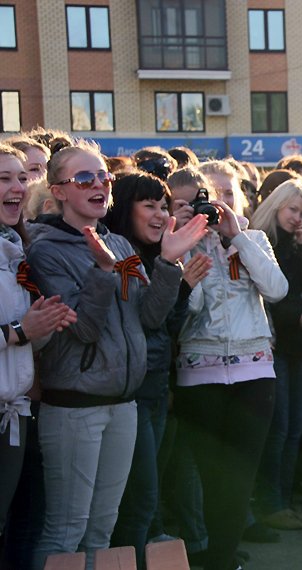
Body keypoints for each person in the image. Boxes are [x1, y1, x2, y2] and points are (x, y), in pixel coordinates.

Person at [27, 142, 207, 569]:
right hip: (74, 407)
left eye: (103, 177)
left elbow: (147, 317)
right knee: (66, 529)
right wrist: (102, 271)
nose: (99, 185)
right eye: (84, 178)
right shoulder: (46, 249)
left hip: (123, 404)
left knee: (102, 529)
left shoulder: (121, 245)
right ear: (58, 191)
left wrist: (166, 262)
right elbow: (85, 330)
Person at [173, 162, 288, 570]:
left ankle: (223, 561)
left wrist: (236, 237)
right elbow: (194, 308)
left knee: (240, 478)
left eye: (224, 195)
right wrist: (187, 244)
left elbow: (277, 289)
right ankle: (217, 555)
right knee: (209, 476)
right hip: (199, 374)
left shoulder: (253, 239)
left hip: (254, 374)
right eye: (204, 199)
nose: (214, 206)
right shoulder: (179, 247)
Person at [103, 173, 212, 569]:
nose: (160, 214)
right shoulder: (120, 256)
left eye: (163, 206)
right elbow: (142, 324)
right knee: (140, 501)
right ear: (124, 209)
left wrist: (179, 286)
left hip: (155, 390)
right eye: (149, 205)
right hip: (130, 394)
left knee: (147, 501)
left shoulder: (158, 254)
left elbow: (166, 325)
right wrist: (172, 275)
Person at [0, 145, 76, 553]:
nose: (17, 187)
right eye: (3, 178)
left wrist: (45, 325)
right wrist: (17, 331)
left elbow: (25, 335)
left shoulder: (15, 248)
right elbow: (14, 332)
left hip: (14, 412)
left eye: (20, 178)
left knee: (21, 525)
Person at [250, 178, 302, 531]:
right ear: (276, 205)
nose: (297, 219)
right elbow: (268, 295)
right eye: (293, 210)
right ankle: (269, 504)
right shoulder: (261, 241)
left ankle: (284, 501)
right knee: (277, 429)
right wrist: (296, 314)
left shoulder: (298, 244)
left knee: (295, 429)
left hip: (299, 348)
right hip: (274, 346)